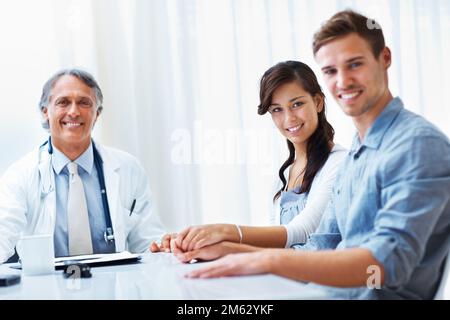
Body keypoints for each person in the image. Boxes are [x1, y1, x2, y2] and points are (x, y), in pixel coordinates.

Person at [179, 10, 450, 300]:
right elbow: (321, 245)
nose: (343, 81)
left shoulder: (419, 146)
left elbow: (387, 263)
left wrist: (261, 259)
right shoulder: (359, 152)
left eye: (354, 64)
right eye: (331, 71)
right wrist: (230, 251)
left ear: (384, 58)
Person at [151, 61, 346, 256]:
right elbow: (280, 247)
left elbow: (302, 232)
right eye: (277, 109)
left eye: (297, 104)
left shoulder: (339, 163)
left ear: (318, 102)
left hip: (324, 284)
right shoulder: (284, 175)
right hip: (290, 280)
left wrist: (224, 233)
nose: (289, 119)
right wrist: (194, 241)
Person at [0, 68, 164, 263]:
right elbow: (4, 234)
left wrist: (168, 248)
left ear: (97, 113)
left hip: (112, 288)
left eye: (84, 103)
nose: (74, 112)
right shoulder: (20, 175)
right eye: (63, 102)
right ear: (45, 112)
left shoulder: (128, 168)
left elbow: (148, 243)